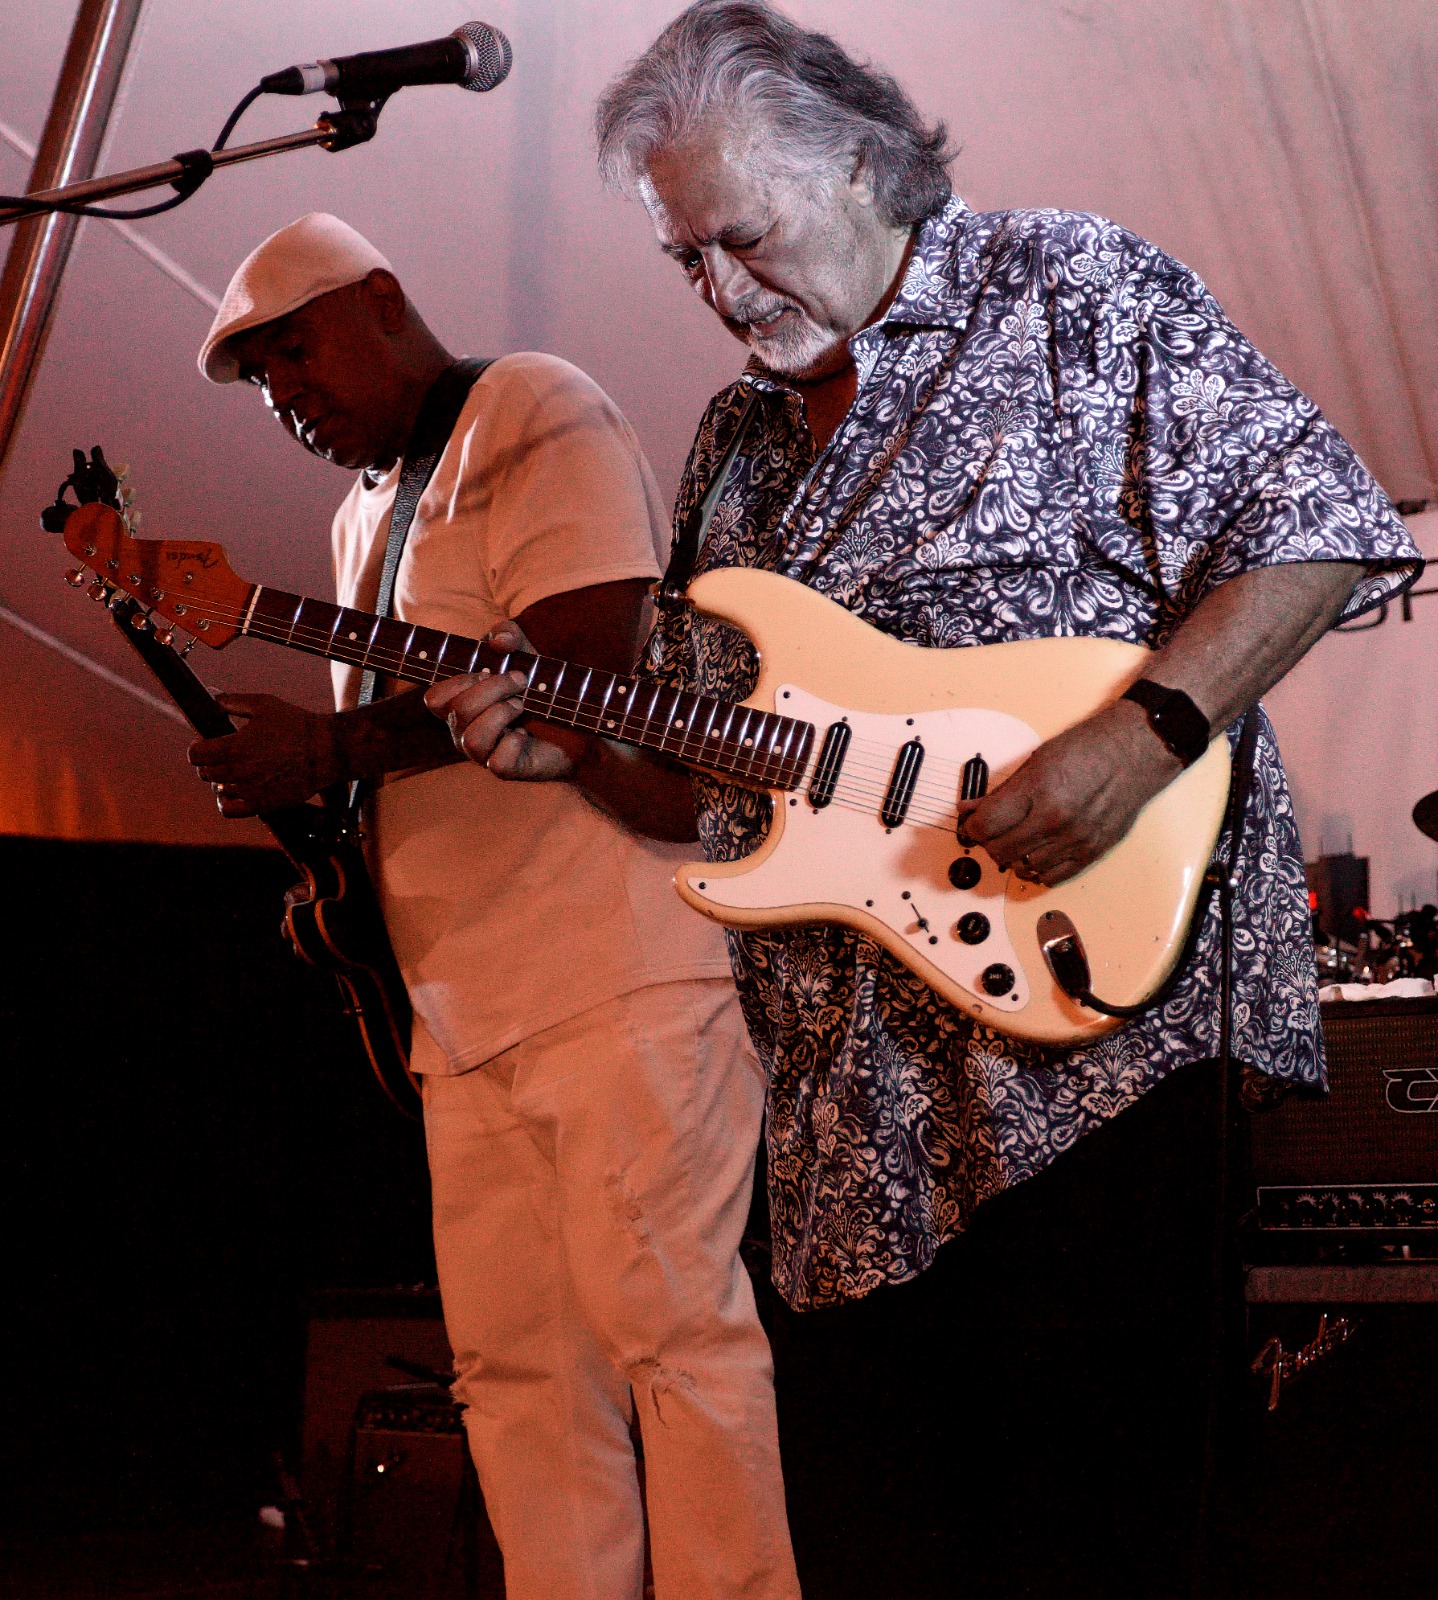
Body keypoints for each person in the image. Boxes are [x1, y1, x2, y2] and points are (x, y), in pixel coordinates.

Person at [431, 6, 1424, 1597]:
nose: (720, 290)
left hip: (1089, 1072)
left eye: (742, 238)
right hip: (845, 1141)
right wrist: (582, 756)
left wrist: (1143, 736)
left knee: (1095, 1550)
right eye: (686, 258)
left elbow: (1313, 519)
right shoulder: (735, 442)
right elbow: (713, 797)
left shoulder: (1071, 286)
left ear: (855, 163)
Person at [187, 212, 799, 1600]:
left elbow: (589, 664)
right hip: (464, 1010)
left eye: (297, 353)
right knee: (515, 1375)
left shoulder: (529, 405)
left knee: (674, 1344)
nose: (287, 396)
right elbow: (433, 738)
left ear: (383, 300)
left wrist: (333, 747)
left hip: (616, 975)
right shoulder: (361, 513)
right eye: (265, 381)